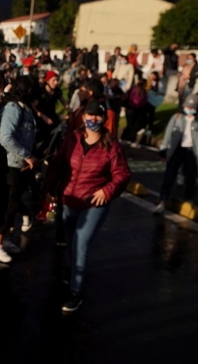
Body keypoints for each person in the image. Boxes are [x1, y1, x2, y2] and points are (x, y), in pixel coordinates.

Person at [43, 100, 130, 312]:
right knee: (71, 241)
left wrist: (106, 191)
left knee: (81, 243)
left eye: (98, 116)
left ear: (104, 119)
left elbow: (122, 174)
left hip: (94, 203)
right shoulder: (71, 140)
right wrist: (48, 189)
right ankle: (72, 272)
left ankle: (76, 291)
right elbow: (56, 166)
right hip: (69, 200)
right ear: (83, 118)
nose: (93, 120)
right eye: (89, 115)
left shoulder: (111, 146)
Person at [0, 75, 38, 263]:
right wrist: (27, 155)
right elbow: (6, 138)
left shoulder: (23, 107)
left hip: (18, 164)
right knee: (9, 205)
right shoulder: (13, 108)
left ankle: (2, 239)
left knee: (12, 205)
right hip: (10, 164)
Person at [153, 94, 198, 213]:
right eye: (187, 106)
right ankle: (162, 201)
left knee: (190, 177)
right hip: (177, 150)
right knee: (169, 176)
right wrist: (163, 149)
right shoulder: (177, 117)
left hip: (191, 151)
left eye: (192, 107)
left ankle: (189, 199)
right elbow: (168, 134)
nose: (189, 110)